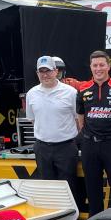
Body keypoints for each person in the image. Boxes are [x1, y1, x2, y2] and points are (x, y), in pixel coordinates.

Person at [77, 51, 111, 216]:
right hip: (90, 145)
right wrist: (86, 138)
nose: (98, 68)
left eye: (101, 65)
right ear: (90, 67)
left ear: (108, 66)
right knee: (92, 188)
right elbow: (80, 118)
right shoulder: (83, 89)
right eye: (95, 65)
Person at [26, 56, 79, 197]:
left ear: (56, 71)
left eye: (48, 71)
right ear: (37, 73)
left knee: (69, 187)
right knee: (47, 188)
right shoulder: (31, 94)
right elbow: (32, 120)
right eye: (41, 71)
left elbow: (78, 119)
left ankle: (72, 218)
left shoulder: (71, 92)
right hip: (42, 148)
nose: (45, 75)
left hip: (66, 147)